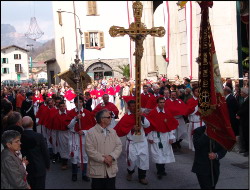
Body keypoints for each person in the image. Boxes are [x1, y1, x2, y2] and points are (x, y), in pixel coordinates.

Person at [114, 100, 150, 185]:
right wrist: (131, 128)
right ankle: (130, 172)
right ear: (128, 107)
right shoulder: (126, 117)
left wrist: (141, 117)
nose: (133, 108)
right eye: (132, 106)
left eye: (135, 106)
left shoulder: (141, 115)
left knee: (143, 159)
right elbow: (122, 129)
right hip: (132, 142)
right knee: (131, 160)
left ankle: (142, 177)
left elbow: (147, 125)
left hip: (142, 141)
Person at [85, 109, 122, 189]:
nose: (111, 118)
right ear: (102, 119)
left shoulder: (113, 131)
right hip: (97, 171)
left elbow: (119, 146)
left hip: (111, 170)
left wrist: (111, 157)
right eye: (109, 117)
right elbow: (90, 150)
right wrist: (104, 159)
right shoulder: (91, 132)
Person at [145, 97, 179, 179]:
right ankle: (159, 171)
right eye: (160, 102)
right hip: (156, 135)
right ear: (157, 103)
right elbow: (149, 126)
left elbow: (171, 125)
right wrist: (150, 137)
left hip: (166, 136)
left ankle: (162, 169)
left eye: (163, 102)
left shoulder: (167, 112)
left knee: (164, 153)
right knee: (157, 153)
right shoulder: (153, 113)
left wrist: (171, 137)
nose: (162, 104)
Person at [66, 96, 96, 182]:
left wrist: (84, 132)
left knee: (84, 156)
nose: (79, 104)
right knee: (74, 156)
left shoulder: (87, 112)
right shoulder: (71, 113)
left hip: (84, 137)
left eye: (81, 102)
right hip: (74, 137)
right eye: (77, 102)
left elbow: (92, 127)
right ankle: (74, 174)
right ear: (74, 103)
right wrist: (75, 119)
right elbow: (68, 126)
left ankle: (84, 174)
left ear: (83, 103)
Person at [21, 116, 50, 189]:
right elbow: (45, 152)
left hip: (26, 167)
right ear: (32, 124)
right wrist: (47, 164)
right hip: (39, 166)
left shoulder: (20, 137)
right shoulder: (39, 136)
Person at [50, 101, 70, 170]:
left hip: (69, 132)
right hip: (61, 133)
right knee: (63, 147)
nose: (62, 108)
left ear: (65, 106)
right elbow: (54, 127)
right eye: (60, 107)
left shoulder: (69, 113)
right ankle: (64, 162)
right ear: (59, 107)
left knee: (71, 146)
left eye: (63, 106)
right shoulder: (56, 115)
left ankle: (74, 161)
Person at [186, 87, 205, 151]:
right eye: (196, 91)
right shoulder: (190, 101)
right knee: (194, 139)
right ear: (193, 92)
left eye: (199, 91)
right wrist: (196, 108)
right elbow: (188, 111)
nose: (198, 93)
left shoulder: (203, 100)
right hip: (194, 122)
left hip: (202, 122)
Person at [236, 87, 249, 157]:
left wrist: (238, 114)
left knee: (247, 135)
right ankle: (245, 148)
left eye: (241, 92)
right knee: (244, 135)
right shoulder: (244, 99)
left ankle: (247, 149)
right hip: (243, 120)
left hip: (246, 120)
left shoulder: (248, 100)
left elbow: (245, 110)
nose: (240, 93)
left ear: (245, 93)